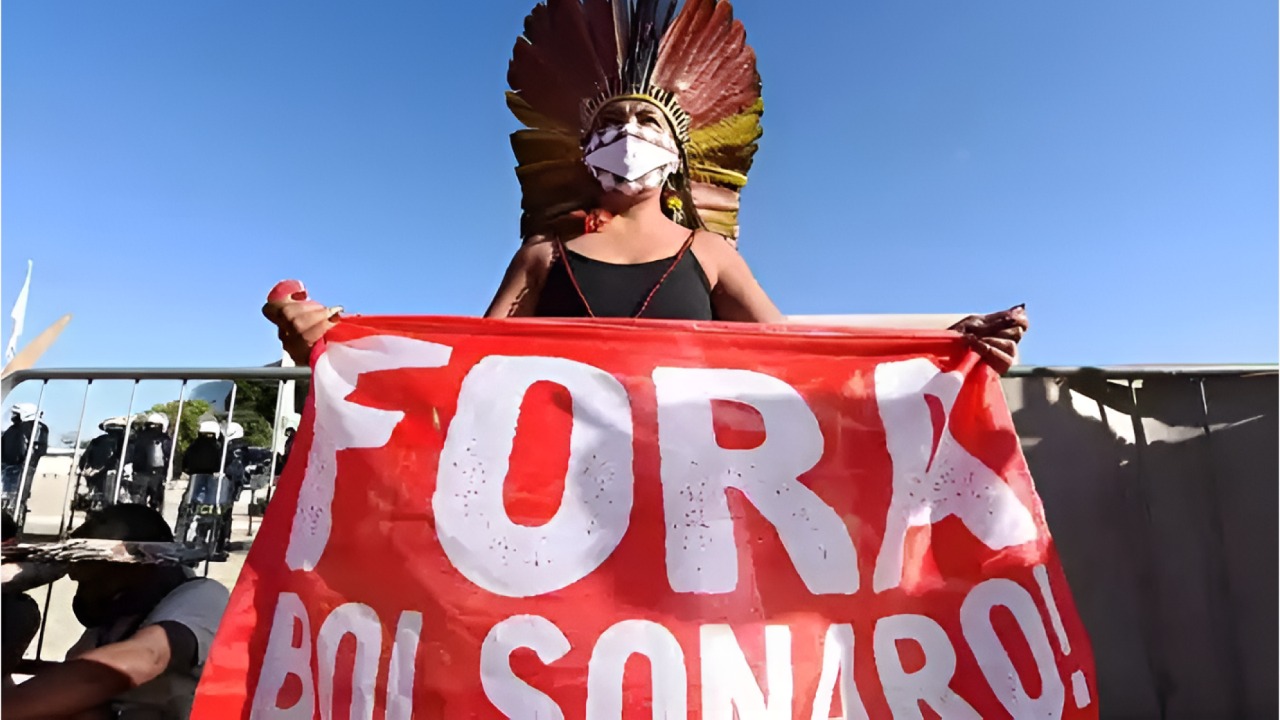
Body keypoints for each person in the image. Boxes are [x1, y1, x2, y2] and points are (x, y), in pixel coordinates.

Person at [263, 0, 1027, 371]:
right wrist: (336, 344)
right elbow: (470, 366)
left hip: (694, 497)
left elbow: (798, 358)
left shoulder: (712, 257)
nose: (627, 134)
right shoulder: (542, 252)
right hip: (549, 493)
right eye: (610, 122)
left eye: (646, 122)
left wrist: (942, 346)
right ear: (583, 149)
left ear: (679, 153)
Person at [1, 504, 229, 720]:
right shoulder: (114, 619)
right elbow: (75, 678)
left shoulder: (202, 595)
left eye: (94, 569)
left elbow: (143, 658)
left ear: (138, 565)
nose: (75, 576)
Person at [1, 403, 49, 520]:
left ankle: (15, 522)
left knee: (17, 499)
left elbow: (35, 450)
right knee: (6, 497)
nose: (13, 416)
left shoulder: (36, 427)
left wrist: (25, 461)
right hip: (8, 467)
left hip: (23, 467)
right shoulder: (12, 429)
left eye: (16, 413)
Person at [78, 417, 129, 510]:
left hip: (94, 476)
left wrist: (86, 470)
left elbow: (84, 459)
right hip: (114, 476)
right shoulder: (125, 443)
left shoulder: (96, 441)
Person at [128, 413, 172, 511]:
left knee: (138, 505)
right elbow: (169, 456)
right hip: (157, 476)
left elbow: (131, 454)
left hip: (139, 474)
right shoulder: (165, 439)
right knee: (156, 505)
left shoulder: (138, 436)